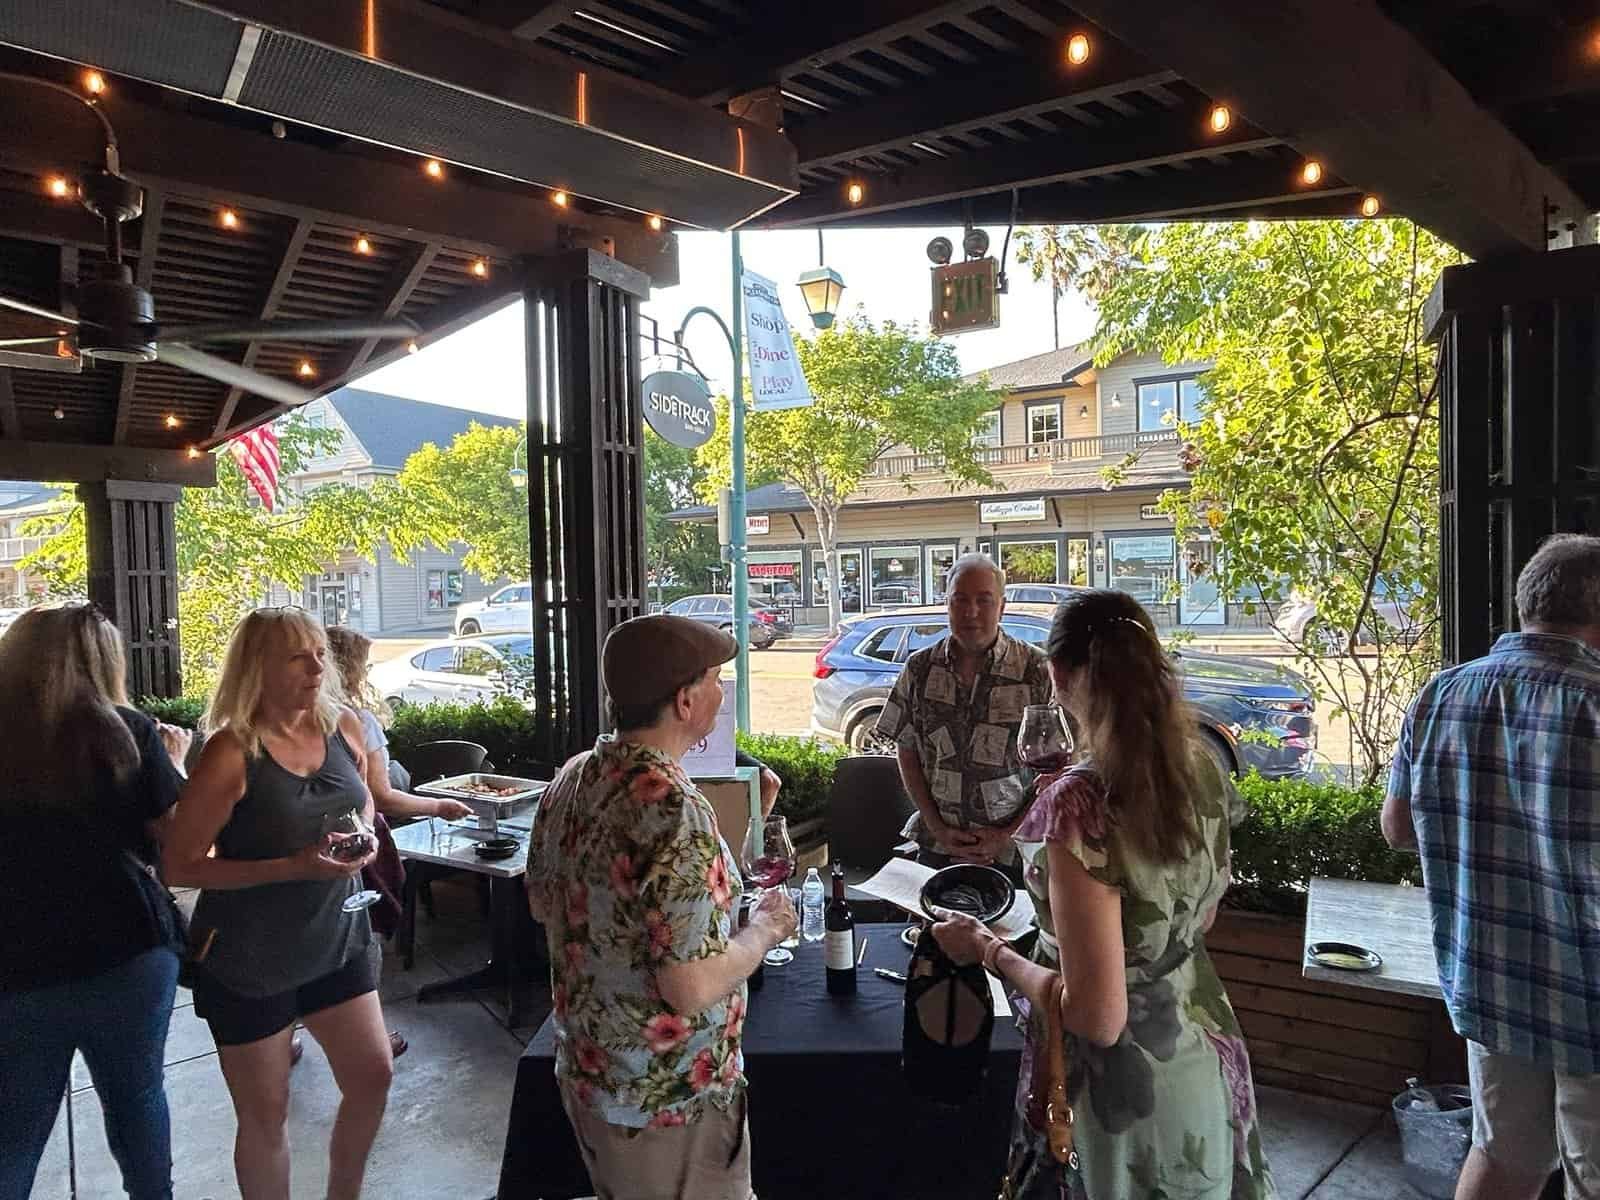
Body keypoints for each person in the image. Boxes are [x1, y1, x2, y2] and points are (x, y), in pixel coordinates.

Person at [933, 589, 1275, 1200]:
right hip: (1205, 1052)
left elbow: (1097, 1017)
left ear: (1057, 676)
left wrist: (987, 949)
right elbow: (1199, 916)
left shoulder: (1076, 806)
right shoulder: (1200, 767)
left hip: (1121, 1098)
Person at [525, 614, 796, 1200]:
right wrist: (764, 930)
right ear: (685, 701)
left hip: (592, 1075)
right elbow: (690, 987)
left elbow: (543, 903)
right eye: (716, 679)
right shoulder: (674, 807)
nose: (723, 692)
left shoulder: (575, 775)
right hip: (667, 1100)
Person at [1383, 533, 1600, 1200]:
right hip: (1591, 992)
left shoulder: (1441, 693)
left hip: (1490, 979)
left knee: (1505, 1156)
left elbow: (1397, 830)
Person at [163, 608, 393, 1200]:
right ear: (257, 668)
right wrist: (292, 867)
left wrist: (362, 834)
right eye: (297, 656)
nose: (316, 668)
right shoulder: (230, 752)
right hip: (250, 959)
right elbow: (179, 866)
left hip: (337, 938)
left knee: (372, 1076)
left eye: (319, 654)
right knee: (266, 1116)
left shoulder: (343, 725)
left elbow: (364, 801)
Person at [0, 605, 191, 1200]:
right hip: (127, 944)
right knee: (138, 1098)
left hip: (17, 957)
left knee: (16, 1123)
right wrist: (176, 764)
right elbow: (180, 840)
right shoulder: (127, 731)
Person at [875, 553, 1053, 879]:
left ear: (1002, 606)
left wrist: (1006, 835)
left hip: (1017, 854)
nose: (971, 612)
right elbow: (907, 750)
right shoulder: (919, 668)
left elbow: (1058, 770)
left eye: (984, 600)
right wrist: (936, 827)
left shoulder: (1038, 671)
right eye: (960, 600)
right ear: (947, 604)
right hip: (939, 848)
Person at [323, 625, 474, 824]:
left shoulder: (304, 717)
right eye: (365, 665)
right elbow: (381, 797)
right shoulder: (359, 721)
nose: (366, 672)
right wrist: (438, 807)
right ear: (350, 671)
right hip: (358, 827)